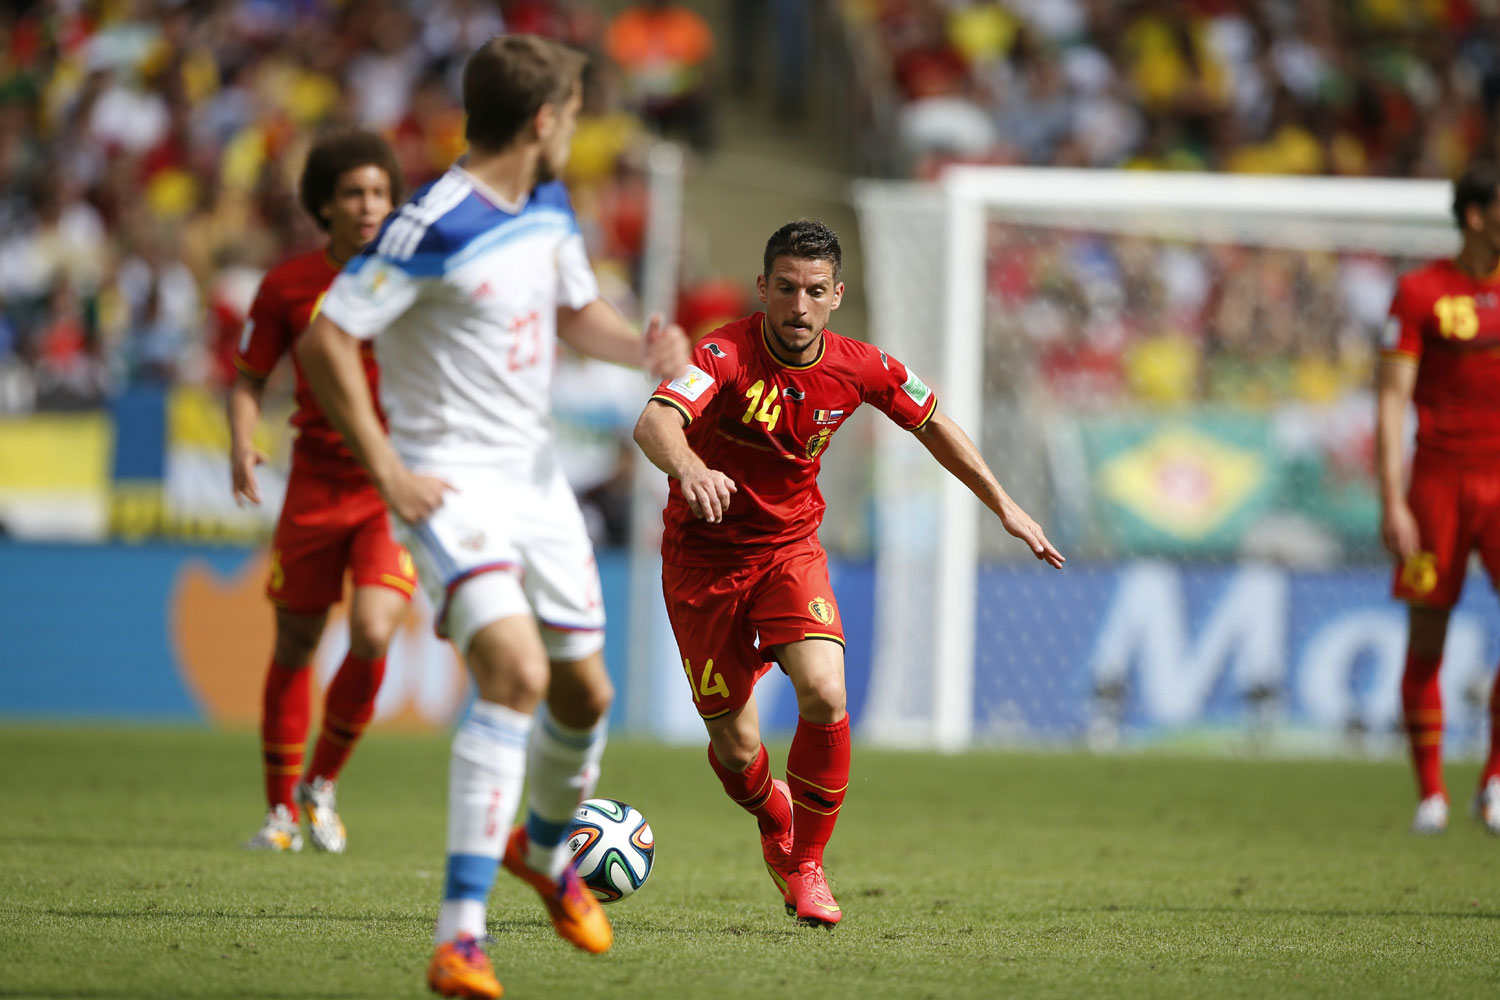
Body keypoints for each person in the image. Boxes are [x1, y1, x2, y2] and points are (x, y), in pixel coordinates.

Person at [295, 35, 689, 1000]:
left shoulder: (548, 206)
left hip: (537, 483)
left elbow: (571, 312)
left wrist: (638, 345)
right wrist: (388, 469)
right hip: (450, 483)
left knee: (586, 694)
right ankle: (460, 937)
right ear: (546, 121)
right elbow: (326, 338)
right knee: (514, 671)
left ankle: (544, 854)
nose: (581, 129)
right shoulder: (429, 225)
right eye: (578, 112)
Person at [632, 219, 1064, 927]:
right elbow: (655, 423)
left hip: (787, 553)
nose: (799, 306)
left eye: (815, 291)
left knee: (826, 693)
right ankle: (775, 821)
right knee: (738, 752)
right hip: (701, 564)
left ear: (837, 295)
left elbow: (933, 424)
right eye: (787, 289)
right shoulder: (721, 352)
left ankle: (807, 864)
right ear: (764, 289)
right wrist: (691, 466)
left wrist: (1005, 504)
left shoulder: (862, 366)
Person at [231, 129, 410, 856]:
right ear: (324, 206)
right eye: (353, 193)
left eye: (379, 193)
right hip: (313, 482)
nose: (369, 205)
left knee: (372, 631)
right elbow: (249, 377)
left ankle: (322, 784)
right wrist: (243, 442)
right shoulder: (288, 285)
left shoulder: (415, 279)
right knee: (297, 642)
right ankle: (279, 815)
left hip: (388, 487)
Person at [1377, 159, 1500, 837]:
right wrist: (1392, 499)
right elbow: (1392, 401)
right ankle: (1431, 793)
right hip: (1438, 486)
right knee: (1428, 636)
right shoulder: (1421, 292)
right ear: (1478, 215)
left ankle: (1495, 780)